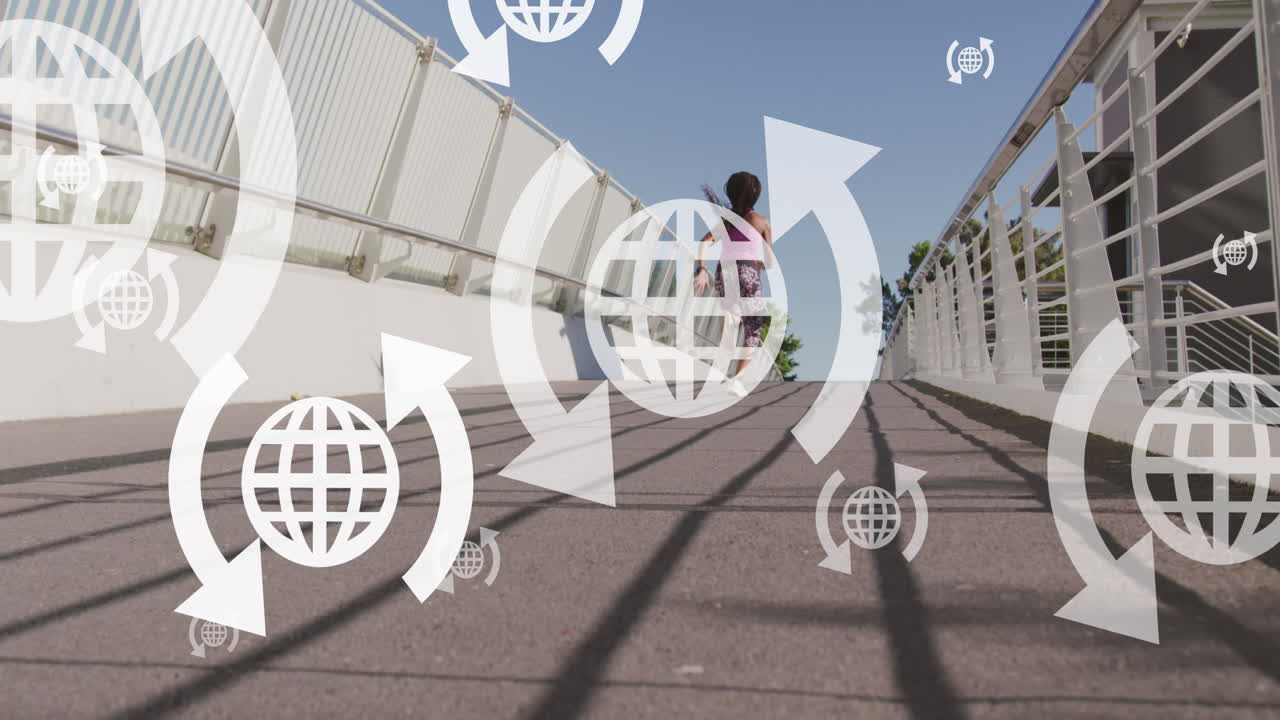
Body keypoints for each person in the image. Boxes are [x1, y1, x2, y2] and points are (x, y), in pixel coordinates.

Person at [694, 171, 775, 397]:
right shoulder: (762, 222)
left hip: (724, 271)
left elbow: (704, 242)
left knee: (730, 318)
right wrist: (754, 265)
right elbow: (770, 262)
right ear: (756, 195)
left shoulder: (727, 220)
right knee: (753, 327)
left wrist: (702, 268)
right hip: (748, 270)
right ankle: (737, 381)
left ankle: (725, 348)